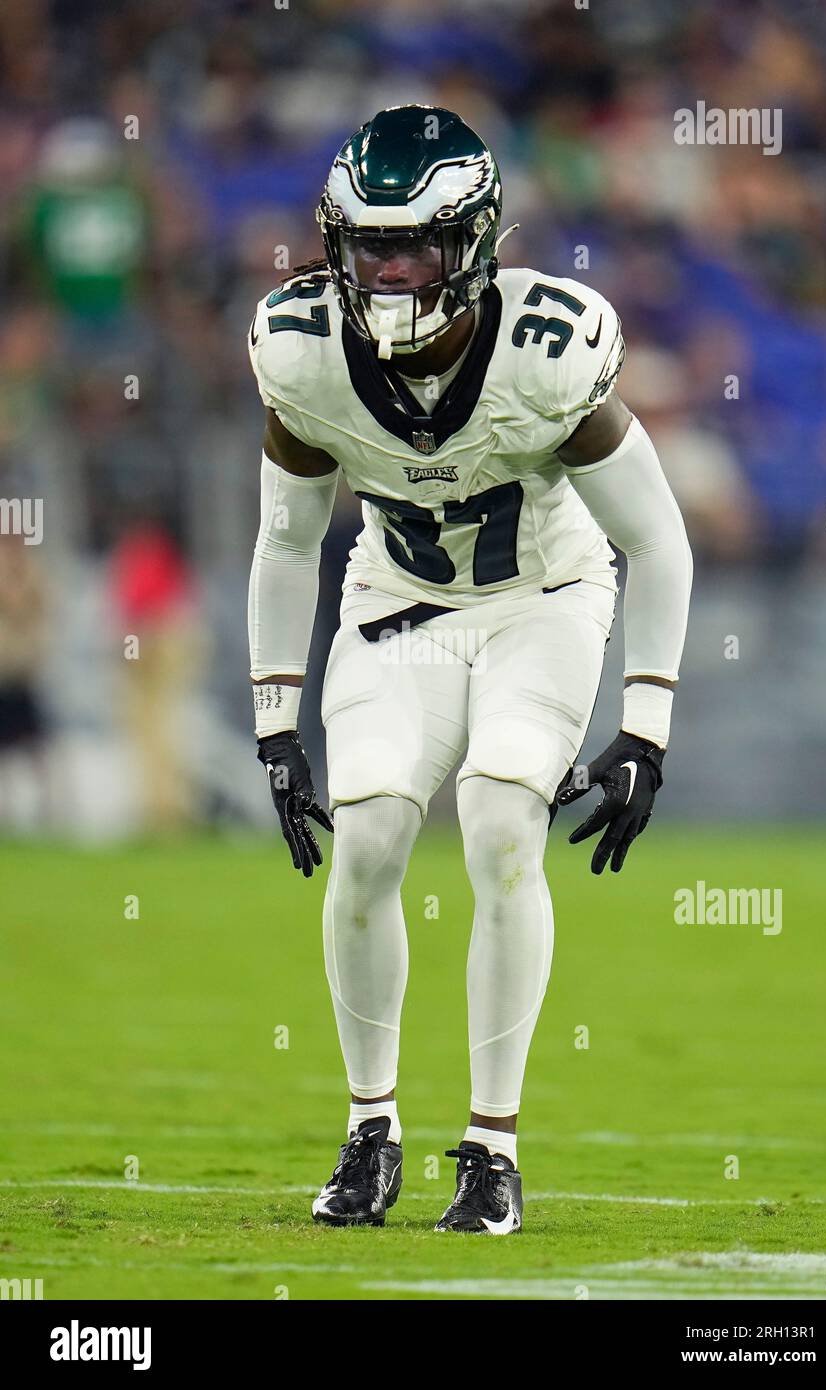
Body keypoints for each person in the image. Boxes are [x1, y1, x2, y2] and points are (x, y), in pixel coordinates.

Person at [246, 106, 692, 1233]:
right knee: (371, 836)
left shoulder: (547, 350)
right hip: (396, 602)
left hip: (539, 600)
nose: (391, 273)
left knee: (500, 820)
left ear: (476, 242)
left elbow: (656, 539)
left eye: (415, 247)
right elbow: (289, 540)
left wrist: (645, 725)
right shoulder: (300, 350)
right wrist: (272, 720)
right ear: (335, 247)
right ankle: (369, 1129)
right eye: (370, 248)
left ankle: (490, 1147)